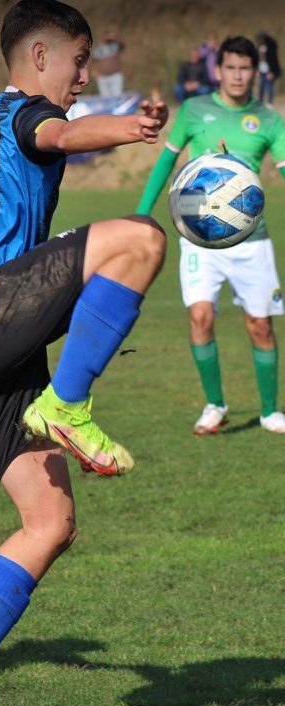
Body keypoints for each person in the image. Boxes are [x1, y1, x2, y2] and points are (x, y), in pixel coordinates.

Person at [0, 1, 168, 706]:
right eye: (80, 61)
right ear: (42, 57)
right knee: (139, 238)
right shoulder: (22, 112)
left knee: (50, 524)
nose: (84, 74)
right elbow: (61, 134)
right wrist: (133, 127)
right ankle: (69, 405)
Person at [137, 35, 285, 435]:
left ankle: (271, 411)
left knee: (260, 325)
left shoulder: (269, 120)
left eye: (245, 69)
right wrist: (139, 215)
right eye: (231, 68)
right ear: (218, 70)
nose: (238, 76)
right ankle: (215, 405)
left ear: (255, 72)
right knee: (200, 316)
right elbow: (165, 164)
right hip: (199, 238)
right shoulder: (193, 109)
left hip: (252, 241)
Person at [91, 30, 124, 97]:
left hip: (115, 76)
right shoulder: (99, 48)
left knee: (117, 96)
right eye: (105, 36)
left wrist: (114, 37)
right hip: (102, 77)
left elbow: (123, 44)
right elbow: (93, 61)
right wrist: (93, 71)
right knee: (105, 98)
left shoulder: (115, 46)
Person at [255, 32, 281, 106]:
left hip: (269, 71)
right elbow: (257, 59)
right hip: (261, 70)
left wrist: (272, 71)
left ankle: (270, 103)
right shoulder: (259, 47)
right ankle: (260, 102)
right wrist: (257, 70)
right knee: (261, 87)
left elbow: (273, 60)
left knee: (269, 87)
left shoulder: (270, 47)